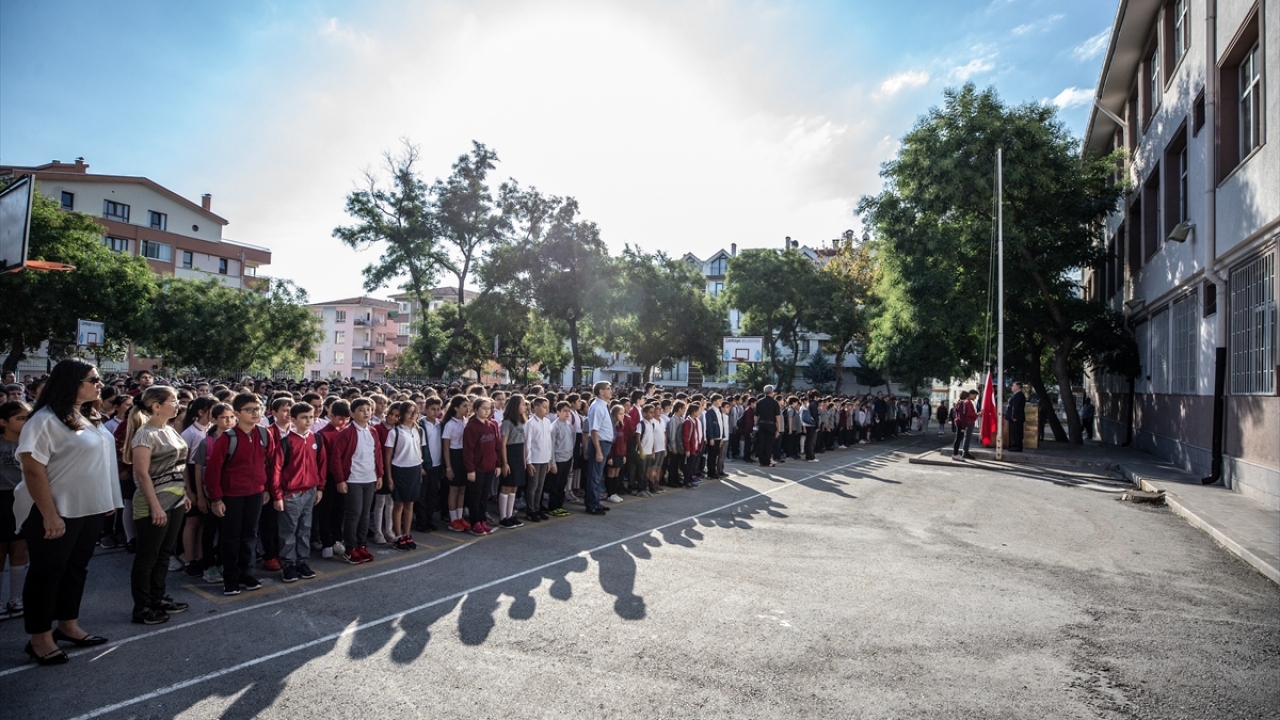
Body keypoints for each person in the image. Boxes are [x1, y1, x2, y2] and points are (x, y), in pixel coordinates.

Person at [14, 360, 122, 665]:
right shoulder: (45, 420)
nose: (100, 384)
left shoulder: (88, 417)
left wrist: (108, 498)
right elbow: (33, 469)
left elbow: (100, 464)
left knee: (76, 568)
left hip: (88, 508)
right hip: (56, 509)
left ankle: (68, 624)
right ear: (73, 382)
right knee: (47, 573)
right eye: (94, 379)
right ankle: (39, 638)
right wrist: (49, 513)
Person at [123, 386, 190, 625]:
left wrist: (185, 494)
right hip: (154, 502)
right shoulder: (145, 434)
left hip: (175, 500)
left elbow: (178, 466)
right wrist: (155, 506)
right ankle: (141, 607)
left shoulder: (170, 430)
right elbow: (141, 474)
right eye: (173, 401)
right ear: (156, 406)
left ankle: (157, 598)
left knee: (164, 553)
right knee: (147, 556)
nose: (178, 405)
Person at [204, 392, 277, 596]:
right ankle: (231, 578)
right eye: (249, 410)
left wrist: (267, 489)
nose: (255, 413)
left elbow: (270, 464)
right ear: (237, 413)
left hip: (255, 493)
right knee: (231, 538)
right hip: (231, 495)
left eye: (258, 409)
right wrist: (216, 498)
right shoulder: (228, 438)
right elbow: (212, 471)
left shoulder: (264, 434)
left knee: (250, 535)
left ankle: (247, 573)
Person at [270, 402, 326, 582]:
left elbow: (321, 465)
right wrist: (277, 495)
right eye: (303, 417)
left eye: (310, 417)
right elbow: (276, 470)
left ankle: (302, 561)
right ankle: (288, 564)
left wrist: (320, 488)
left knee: (305, 529)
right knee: (288, 530)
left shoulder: (316, 439)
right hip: (290, 494)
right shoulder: (286, 442)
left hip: (310, 491)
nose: (308, 420)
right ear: (293, 419)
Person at [334, 397, 383, 564]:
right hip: (353, 479)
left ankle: (362, 545)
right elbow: (337, 459)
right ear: (352, 414)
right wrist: (340, 480)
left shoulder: (373, 431)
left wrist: (380, 475)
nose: (366, 413)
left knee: (364, 514)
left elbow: (378, 455)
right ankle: (350, 548)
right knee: (353, 514)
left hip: (369, 478)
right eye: (361, 410)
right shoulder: (346, 433)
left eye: (368, 409)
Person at [1, 401, 31, 621]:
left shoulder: (31, 443)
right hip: (1, 499)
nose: (26, 422)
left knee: (20, 549)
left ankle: (16, 598)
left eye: (27, 417)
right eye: (20, 418)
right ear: (3, 422)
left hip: (24, 498)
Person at [383, 402, 423, 549]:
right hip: (399, 470)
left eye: (415, 412)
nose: (413, 415)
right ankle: (398, 536)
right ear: (402, 414)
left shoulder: (418, 430)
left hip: (414, 469)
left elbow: (419, 450)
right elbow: (388, 457)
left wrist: (420, 467)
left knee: (410, 504)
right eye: (409, 412)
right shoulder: (395, 432)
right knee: (398, 504)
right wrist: (390, 477)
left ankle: (407, 534)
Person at [462, 398, 499, 535]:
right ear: (476, 409)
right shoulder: (471, 427)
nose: (486, 411)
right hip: (477, 469)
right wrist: (470, 469)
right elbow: (468, 450)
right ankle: (475, 522)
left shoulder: (492, 425)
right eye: (483, 408)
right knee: (475, 496)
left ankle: (483, 520)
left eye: (488, 408)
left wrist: (498, 463)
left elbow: (497, 446)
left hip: (489, 466)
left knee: (484, 495)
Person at [583, 381, 614, 515]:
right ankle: (592, 505)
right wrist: (599, 451)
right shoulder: (597, 407)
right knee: (594, 476)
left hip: (604, 443)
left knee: (598, 476)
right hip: (599, 444)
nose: (610, 391)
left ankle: (595, 502)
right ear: (601, 391)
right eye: (608, 389)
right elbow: (594, 431)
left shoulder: (603, 406)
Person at [523, 397, 554, 524]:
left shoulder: (547, 422)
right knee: (533, 486)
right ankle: (530, 511)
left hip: (544, 458)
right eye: (544, 407)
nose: (547, 410)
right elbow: (527, 444)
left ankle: (537, 507)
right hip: (534, 459)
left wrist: (549, 459)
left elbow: (548, 442)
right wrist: (528, 462)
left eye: (548, 407)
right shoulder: (530, 423)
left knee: (540, 486)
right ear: (536, 408)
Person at [754, 386, 781, 467]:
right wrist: (778, 428)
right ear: (772, 392)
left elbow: (756, 416)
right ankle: (767, 461)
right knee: (769, 444)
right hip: (771, 424)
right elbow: (777, 416)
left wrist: (755, 425)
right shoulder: (775, 402)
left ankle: (761, 461)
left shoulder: (759, 402)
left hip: (761, 424)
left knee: (762, 443)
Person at [951, 391, 978, 461]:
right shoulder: (962, 403)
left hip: (958, 423)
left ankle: (955, 454)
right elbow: (962, 416)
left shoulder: (959, 403)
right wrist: (963, 426)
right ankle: (955, 454)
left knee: (958, 439)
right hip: (960, 423)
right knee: (958, 439)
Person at [1005, 382, 1027, 452]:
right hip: (1016, 418)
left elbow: (1015, 407)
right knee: (1014, 432)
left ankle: (1017, 446)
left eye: (1013, 386)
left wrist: (1013, 416)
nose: (1012, 387)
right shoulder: (1016, 395)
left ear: (1018, 387)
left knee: (1017, 432)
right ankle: (1015, 445)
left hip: (1017, 418)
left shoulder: (1018, 395)